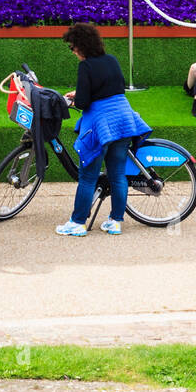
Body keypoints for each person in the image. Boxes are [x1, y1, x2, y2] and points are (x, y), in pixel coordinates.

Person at [54, 23, 150, 237]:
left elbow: (84, 102)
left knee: (87, 176)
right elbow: (110, 89)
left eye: (73, 47)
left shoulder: (85, 67)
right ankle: (115, 222)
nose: (73, 52)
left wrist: (74, 99)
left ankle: (77, 223)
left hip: (101, 126)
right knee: (117, 174)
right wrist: (79, 93)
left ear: (81, 46)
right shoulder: (112, 60)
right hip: (124, 121)